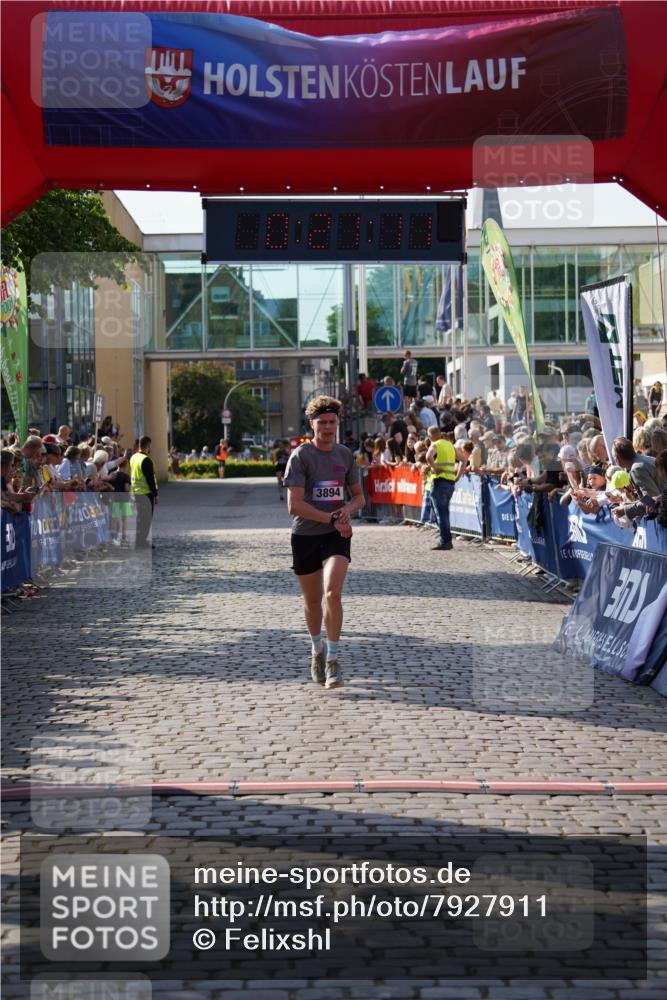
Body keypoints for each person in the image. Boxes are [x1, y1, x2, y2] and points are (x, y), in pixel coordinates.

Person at [283, 395, 364, 690]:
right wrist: (329, 517)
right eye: (322, 422)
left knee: (333, 593)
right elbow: (294, 505)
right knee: (312, 600)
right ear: (312, 424)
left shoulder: (345, 455)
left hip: (336, 535)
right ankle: (316, 649)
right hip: (305, 534)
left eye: (332, 422)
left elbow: (359, 496)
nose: (328, 427)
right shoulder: (301, 456)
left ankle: (333, 659)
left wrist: (347, 510)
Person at [425, 426, 457, 550]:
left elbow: (428, 457)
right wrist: (458, 475)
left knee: (441, 513)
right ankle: (446, 540)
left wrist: (435, 467)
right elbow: (463, 459)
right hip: (450, 482)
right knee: (445, 512)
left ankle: (445, 541)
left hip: (439, 482)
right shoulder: (450, 445)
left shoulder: (435, 444)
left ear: (431, 436)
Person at [130, 435, 159, 549]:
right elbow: (150, 479)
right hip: (146, 493)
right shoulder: (146, 460)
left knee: (140, 518)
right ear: (148, 446)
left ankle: (139, 541)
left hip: (136, 492)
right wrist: (155, 494)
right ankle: (141, 542)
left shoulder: (133, 457)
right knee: (146, 519)